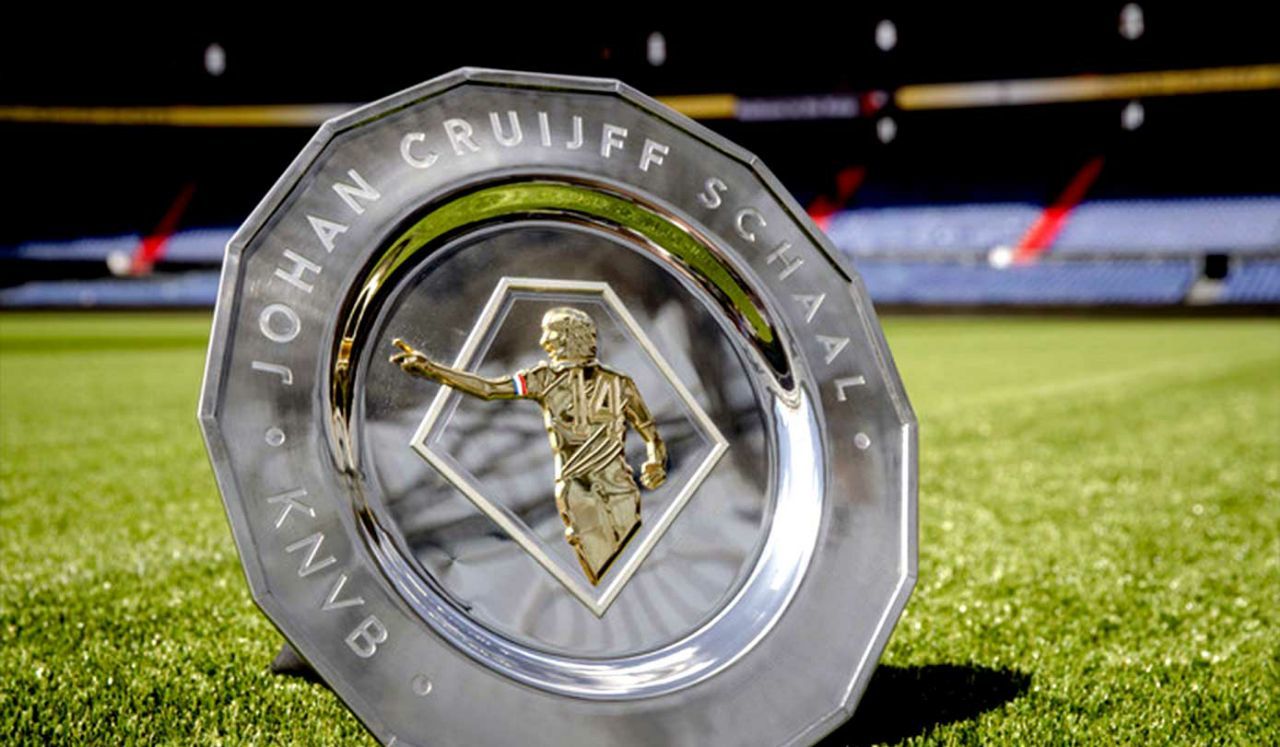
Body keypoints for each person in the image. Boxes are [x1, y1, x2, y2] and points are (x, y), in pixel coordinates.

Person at [391, 307, 666, 585]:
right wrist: (432, 370)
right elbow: (489, 389)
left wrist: (656, 459)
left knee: (634, 567)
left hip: (620, 486)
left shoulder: (619, 383)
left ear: (569, 337)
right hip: (579, 489)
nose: (543, 342)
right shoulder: (543, 378)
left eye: (550, 334)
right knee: (604, 570)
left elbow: (649, 430)